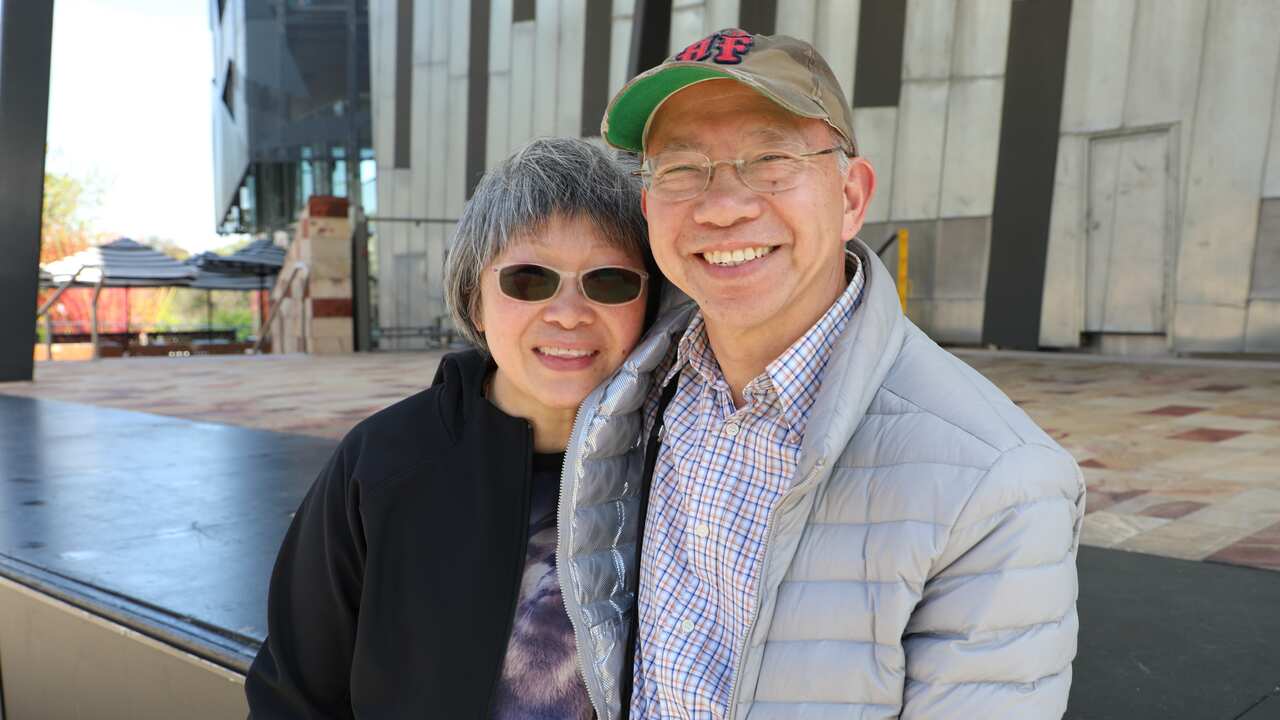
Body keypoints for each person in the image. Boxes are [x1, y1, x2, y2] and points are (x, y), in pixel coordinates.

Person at [556, 29, 1086, 718]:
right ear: (651, 207)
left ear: (850, 195)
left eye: (771, 159)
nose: (722, 206)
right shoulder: (636, 394)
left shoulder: (997, 482)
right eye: (682, 169)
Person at [244, 137, 658, 718]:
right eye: (528, 278)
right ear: (475, 297)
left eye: (610, 280)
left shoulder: (680, 460)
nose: (569, 313)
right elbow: (293, 697)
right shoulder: (383, 464)